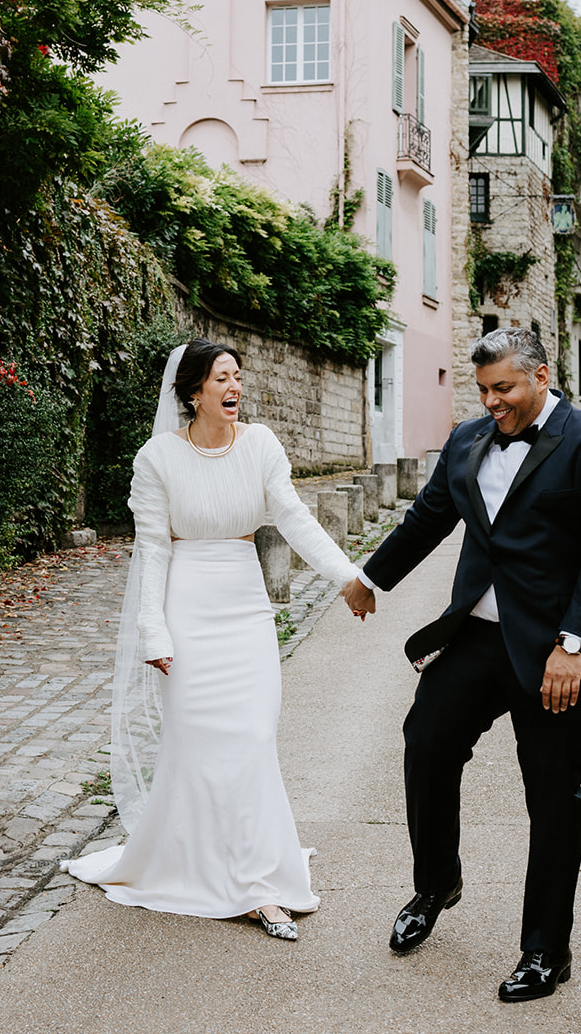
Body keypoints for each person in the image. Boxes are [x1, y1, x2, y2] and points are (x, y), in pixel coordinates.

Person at [349, 327, 581, 1001]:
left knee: (551, 796)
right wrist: (372, 577)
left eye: (501, 388)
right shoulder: (467, 440)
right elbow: (427, 518)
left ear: (539, 376)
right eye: (481, 391)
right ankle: (435, 883)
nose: (490, 403)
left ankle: (545, 951)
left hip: (553, 651)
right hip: (477, 637)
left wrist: (572, 645)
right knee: (425, 741)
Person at [64, 338, 372, 939]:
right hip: (187, 613)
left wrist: (347, 577)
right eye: (221, 378)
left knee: (253, 737)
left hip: (245, 608)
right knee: (198, 745)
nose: (234, 386)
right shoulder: (156, 459)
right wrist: (153, 628)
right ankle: (222, 873)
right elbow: (152, 549)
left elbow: (293, 516)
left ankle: (256, 876)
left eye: (238, 375)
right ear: (193, 392)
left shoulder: (260, 445)